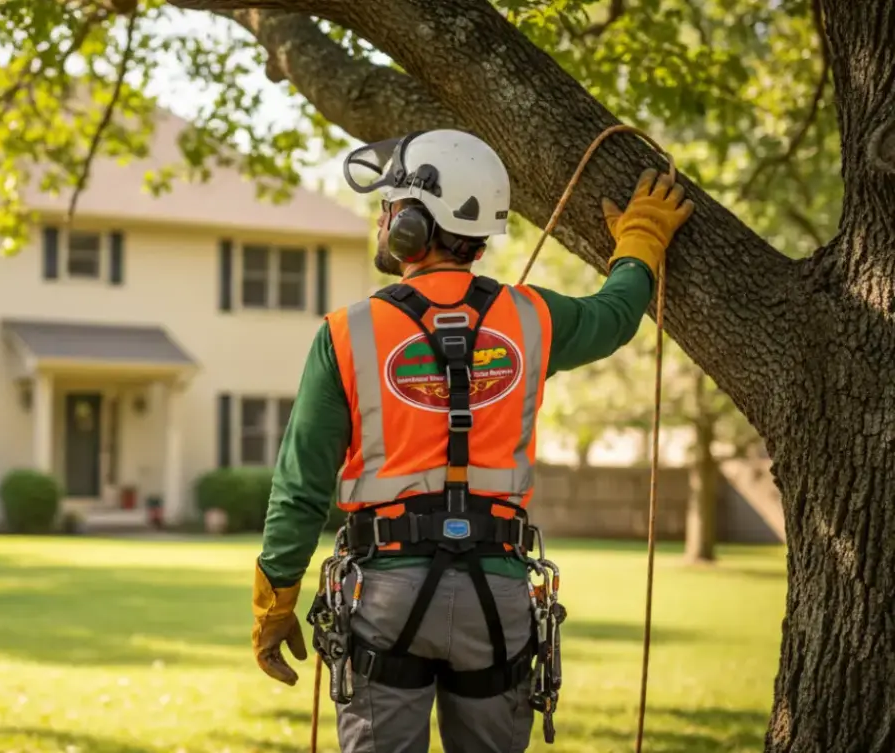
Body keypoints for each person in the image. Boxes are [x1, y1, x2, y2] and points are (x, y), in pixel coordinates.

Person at [250, 129, 694, 753]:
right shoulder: (533, 316)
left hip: (387, 594)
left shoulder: (347, 333)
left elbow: (301, 485)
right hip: (498, 591)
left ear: (410, 224)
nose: (382, 219)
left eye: (389, 207)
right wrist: (641, 241)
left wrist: (276, 598)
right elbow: (615, 315)